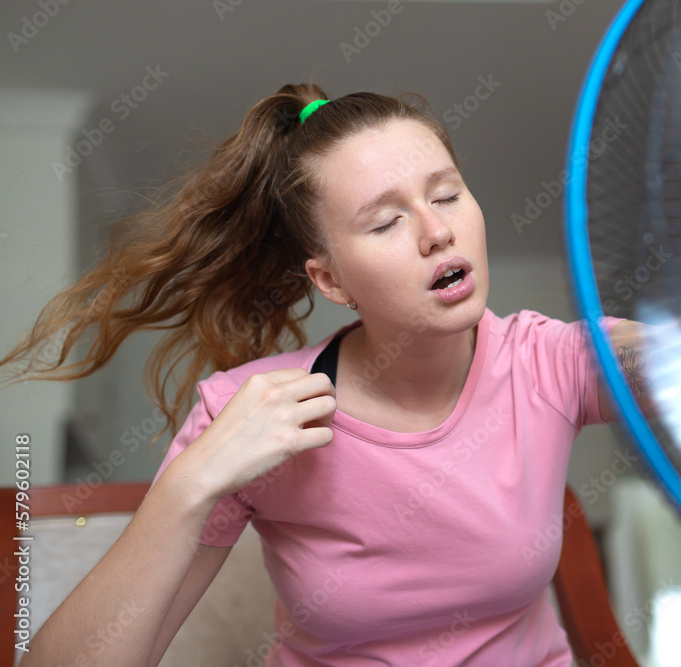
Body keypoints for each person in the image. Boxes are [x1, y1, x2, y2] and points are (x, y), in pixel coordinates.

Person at [3, 84, 645, 666]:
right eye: (387, 221)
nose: (436, 231)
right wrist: (192, 482)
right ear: (330, 280)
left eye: (446, 194)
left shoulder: (546, 361)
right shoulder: (251, 415)